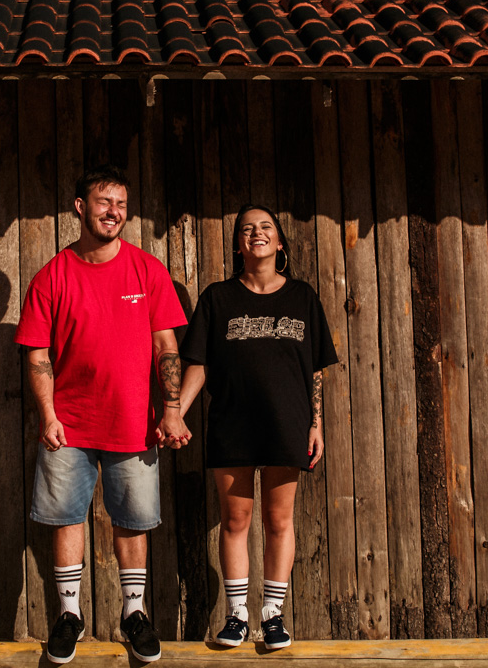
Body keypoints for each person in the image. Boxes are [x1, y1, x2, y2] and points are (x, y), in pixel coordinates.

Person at [16, 165, 187, 664]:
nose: (113, 211)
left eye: (120, 204)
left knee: (132, 520)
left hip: (135, 419)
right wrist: (47, 413)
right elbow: (38, 354)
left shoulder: (147, 270)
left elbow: (166, 346)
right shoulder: (53, 275)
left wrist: (171, 410)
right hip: (69, 423)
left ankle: (133, 614)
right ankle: (69, 615)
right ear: (79, 207)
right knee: (64, 517)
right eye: (103, 202)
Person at [162, 204, 338, 649]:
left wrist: (316, 424)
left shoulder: (303, 297)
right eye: (246, 229)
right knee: (235, 519)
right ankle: (237, 615)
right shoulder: (218, 299)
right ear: (239, 244)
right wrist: (176, 410)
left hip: (287, 424)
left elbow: (316, 369)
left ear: (280, 243)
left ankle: (273, 616)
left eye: (265, 228)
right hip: (233, 424)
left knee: (279, 520)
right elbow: (197, 363)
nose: (255, 233)